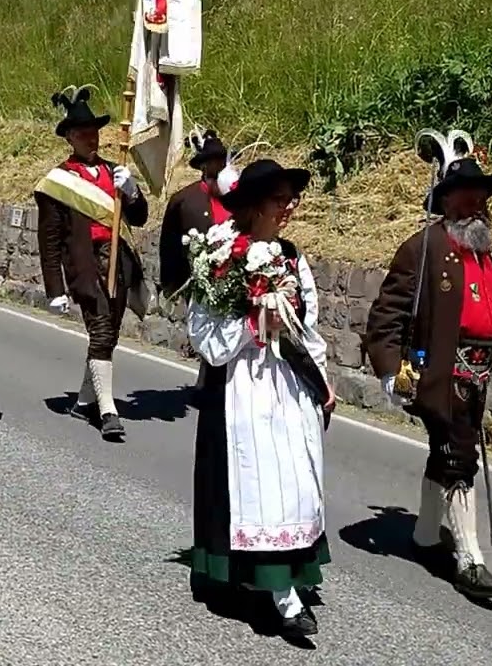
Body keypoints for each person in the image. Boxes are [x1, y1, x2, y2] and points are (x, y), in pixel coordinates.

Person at [187, 158, 334, 639]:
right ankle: (281, 595)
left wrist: (323, 380)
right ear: (254, 205)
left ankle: (283, 574)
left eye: (292, 199)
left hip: (287, 387)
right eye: (279, 199)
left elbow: (308, 328)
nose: (289, 207)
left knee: (294, 484)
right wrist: (252, 327)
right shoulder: (221, 255)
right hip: (242, 391)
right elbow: (205, 336)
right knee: (258, 483)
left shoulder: (292, 257)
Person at [364, 129, 492, 601]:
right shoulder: (423, 248)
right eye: (466, 198)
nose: (475, 205)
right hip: (440, 372)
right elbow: (387, 314)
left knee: (445, 452)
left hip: (478, 374)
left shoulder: (485, 249)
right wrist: (389, 369)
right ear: (445, 202)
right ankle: (469, 558)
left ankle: (426, 536)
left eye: (481, 198)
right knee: (458, 457)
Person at [34, 85, 149, 440]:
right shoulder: (58, 182)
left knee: (108, 334)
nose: (90, 138)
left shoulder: (117, 171)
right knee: (100, 330)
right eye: (82, 133)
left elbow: (140, 218)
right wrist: (55, 288)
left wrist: (130, 191)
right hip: (85, 265)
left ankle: (85, 400)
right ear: (69, 137)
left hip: (119, 263)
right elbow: (50, 240)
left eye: (94, 131)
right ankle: (108, 411)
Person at [160, 127, 231, 404]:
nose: (215, 166)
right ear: (201, 165)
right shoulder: (184, 200)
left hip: (233, 271)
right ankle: (205, 378)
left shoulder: (237, 196)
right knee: (205, 327)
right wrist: (172, 281)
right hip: (199, 276)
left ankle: (218, 382)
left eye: (219, 160)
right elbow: (170, 245)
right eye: (210, 161)